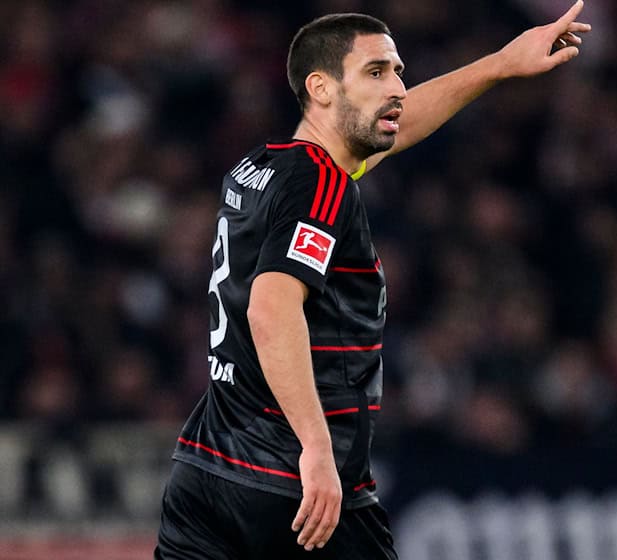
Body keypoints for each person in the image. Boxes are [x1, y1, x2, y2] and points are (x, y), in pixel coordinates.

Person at [155, 3, 591, 559]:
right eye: (376, 72)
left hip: (204, 470)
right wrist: (315, 451)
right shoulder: (322, 187)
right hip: (292, 484)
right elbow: (271, 308)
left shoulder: (260, 168)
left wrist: (499, 65)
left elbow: (395, 128)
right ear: (321, 88)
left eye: (399, 71)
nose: (398, 88)